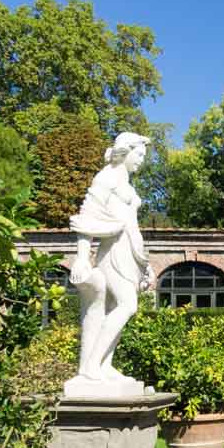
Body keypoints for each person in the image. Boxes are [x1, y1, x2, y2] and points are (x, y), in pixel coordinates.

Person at [64, 132, 155, 395]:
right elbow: (87, 216)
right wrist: (82, 257)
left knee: (116, 306)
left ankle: (104, 366)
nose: (141, 161)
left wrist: (145, 263)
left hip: (129, 249)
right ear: (125, 152)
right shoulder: (106, 177)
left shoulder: (124, 180)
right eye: (139, 155)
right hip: (113, 250)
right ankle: (91, 365)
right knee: (128, 305)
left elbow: (131, 220)